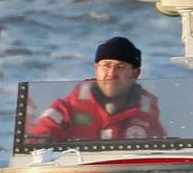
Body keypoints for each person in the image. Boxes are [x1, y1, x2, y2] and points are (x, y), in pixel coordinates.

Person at [25, 36, 165, 143]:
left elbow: (161, 154)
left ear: (135, 74)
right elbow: (36, 141)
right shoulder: (67, 108)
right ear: (96, 70)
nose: (111, 73)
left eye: (120, 67)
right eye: (106, 65)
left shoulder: (147, 112)